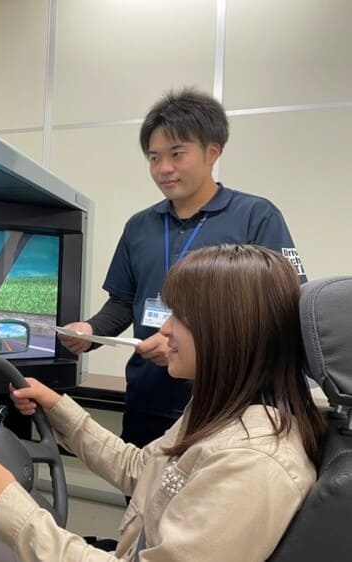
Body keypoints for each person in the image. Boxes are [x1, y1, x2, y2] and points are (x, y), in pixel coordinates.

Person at [0, 244, 326, 561]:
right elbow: (141, 469)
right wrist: (58, 408)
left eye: (181, 317)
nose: (165, 329)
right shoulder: (226, 414)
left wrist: (12, 509)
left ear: (227, 333)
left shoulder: (253, 463)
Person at [59, 88, 307, 449]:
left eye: (177, 154)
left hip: (229, 407)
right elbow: (124, 302)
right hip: (149, 399)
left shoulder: (256, 217)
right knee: (138, 482)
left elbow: (278, 311)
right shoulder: (139, 226)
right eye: (154, 157)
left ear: (212, 152)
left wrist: (193, 344)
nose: (164, 169)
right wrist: (90, 330)